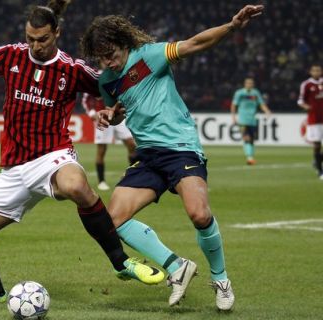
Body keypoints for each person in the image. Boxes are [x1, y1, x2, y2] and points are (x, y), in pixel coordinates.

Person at [0, 0, 164, 307]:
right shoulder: (9, 55)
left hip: (54, 156)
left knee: (77, 186)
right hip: (14, 168)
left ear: (57, 34)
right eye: (30, 39)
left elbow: (115, 93)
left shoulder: (72, 69)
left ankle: (121, 263)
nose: (35, 46)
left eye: (42, 39)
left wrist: (113, 113)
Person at [81, 4, 265, 311]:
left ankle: (220, 279)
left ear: (124, 44)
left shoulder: (151, 56)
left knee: (200, 215)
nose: (107, 61)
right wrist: (108, 116)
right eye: (100, 57)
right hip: (148, 156)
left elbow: (194, 43)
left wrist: (232, 26)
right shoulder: (106, 80)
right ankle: (177, 265)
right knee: (112, 220)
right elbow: (119, 112)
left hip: (180, 147)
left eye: (110, 53)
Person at [82, 91, 136, 191]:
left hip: (118, 115)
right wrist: (92, 113)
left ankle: (132, 176)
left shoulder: (117, 75)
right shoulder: (98, 76)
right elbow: (86, 98)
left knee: (131, 144)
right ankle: (101, 181)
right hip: (103, 116)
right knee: (101, 150)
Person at [230, 77, 272, 165]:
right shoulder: (240, 93)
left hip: (252, 120)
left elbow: (261, 103)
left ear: (253, 84)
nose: (249, 84)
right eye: (248, 83)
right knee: (247, 138)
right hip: (243, 120)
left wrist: (267, 111)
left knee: (252, 140)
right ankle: (249, 157)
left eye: (251, 83)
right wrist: (233, 117)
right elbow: (234, 105)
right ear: (244, 84)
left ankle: (251, 156)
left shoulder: (255, 93)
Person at [298, 64, 323, 180]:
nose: (316, 72)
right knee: (317, 145)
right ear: (310, 72)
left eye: (318, 70)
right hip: (314, 119)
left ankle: (317, 160)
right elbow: (300, 100)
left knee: (318, 148)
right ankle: (319, 170)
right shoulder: (306, 84)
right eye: (314, 71)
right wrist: (306, 106)